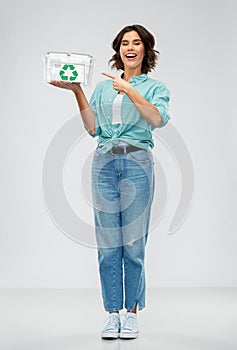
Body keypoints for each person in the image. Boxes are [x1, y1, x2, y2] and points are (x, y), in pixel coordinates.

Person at [50, 24, 170, 340]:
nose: (129, 48)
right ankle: (112, 313)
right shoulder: (103, 88)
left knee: (132, 242)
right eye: (123, 43)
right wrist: (77, 91)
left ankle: (131, 313)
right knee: (107, 244)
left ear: (146, 49)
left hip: (137, 164)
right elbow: (93, 129)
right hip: (103, 163)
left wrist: (130, 89)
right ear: (118, 50)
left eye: (136, 43)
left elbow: (157, 119)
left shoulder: (155, 87)